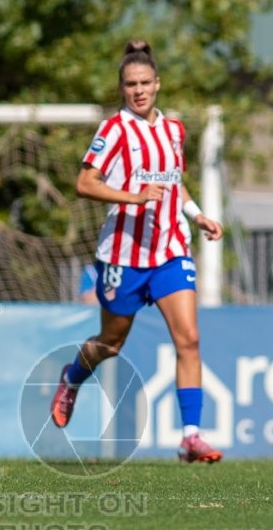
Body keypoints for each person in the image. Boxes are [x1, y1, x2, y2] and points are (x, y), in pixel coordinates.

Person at [49, 40, 224, 463]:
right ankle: (72, 377)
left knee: (189, 339)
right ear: (122, 88)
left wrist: (197, 215)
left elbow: (174, 183)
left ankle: (191, 437)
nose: (139, 90)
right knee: (110, 344)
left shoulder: (174, 130)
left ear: (157, 83)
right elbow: (85, 183)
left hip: (170, 250)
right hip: (123, 255)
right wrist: (134, 196)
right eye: (131, 84)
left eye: (145, 83)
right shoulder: (113, 130)